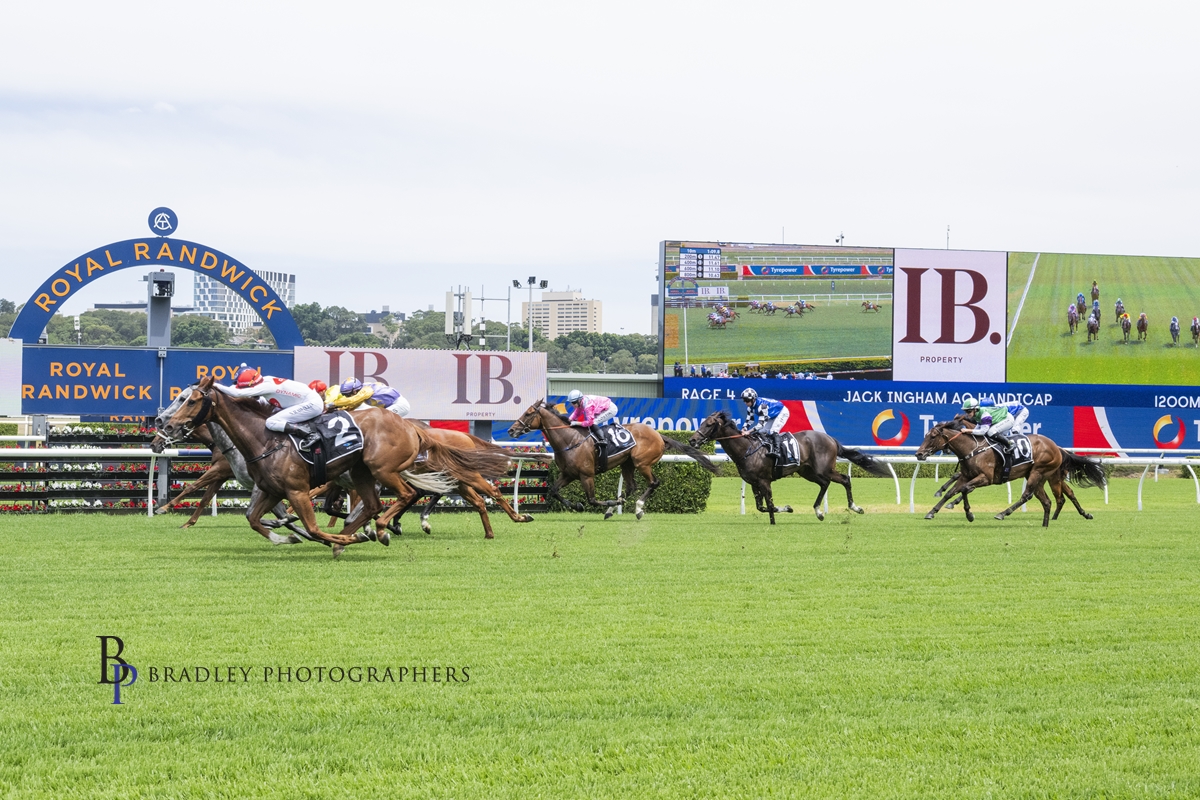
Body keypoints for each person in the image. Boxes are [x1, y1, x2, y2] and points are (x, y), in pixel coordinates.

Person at [215, 367, 323, 450]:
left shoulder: (265, 387)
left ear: (253, 385)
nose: (249, 393)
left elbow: (237, 393)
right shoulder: (264, 381)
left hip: (312, 404)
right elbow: (236, 389)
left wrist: (214, 385)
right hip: (306, 401)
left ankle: (309, 434)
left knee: (271, 422)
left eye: (247, 389)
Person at [961, 396, 1028, 454]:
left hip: (1008, 418)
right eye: (966, 411)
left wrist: (968, 430)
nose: (967, 414)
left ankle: (1011, 444)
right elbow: (977, 429)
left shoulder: (984, 414)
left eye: (969, 411)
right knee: (997, 435)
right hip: (1004, 418)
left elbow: (983, 431)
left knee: (991, 432)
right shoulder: (977, 415)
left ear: (976, 409)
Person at [326, 377, 411, 417]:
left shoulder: (366, 390)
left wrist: (333, 404)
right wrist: (337, 410)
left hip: (399, 405)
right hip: (390, 405)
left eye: (347, 395)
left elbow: (352, 400)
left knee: (381, 418)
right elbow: (351, 407)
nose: (346, 397)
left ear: (355, 391)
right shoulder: (359, 393)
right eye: (344, 395)